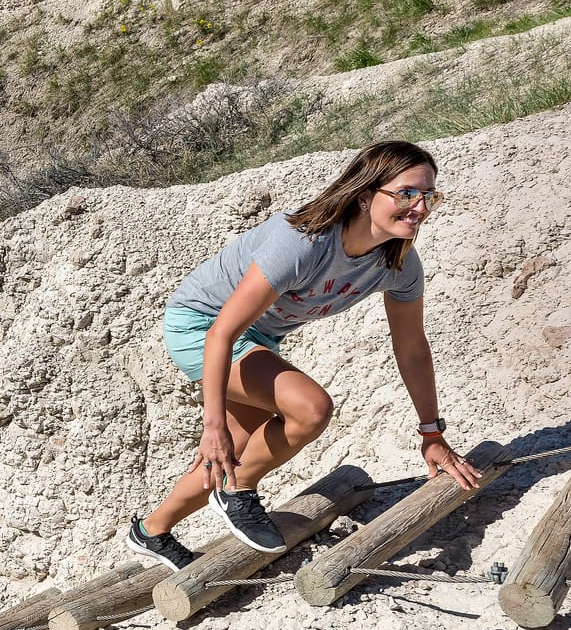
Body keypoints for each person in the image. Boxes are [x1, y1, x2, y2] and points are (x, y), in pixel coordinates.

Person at [125, 140, 482, 569]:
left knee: (231, 450)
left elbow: (412, 350)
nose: (420, 207)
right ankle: (237, 490)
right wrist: (212, 423)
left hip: (257, 339)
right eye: (406, 193)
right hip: (202, 326)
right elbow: (222, 332)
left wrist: (431, 433)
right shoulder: (305, 240)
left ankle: (152, 532)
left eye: (429, 196)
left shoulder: (399, 264)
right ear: (366, 194)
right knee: (310, 409)